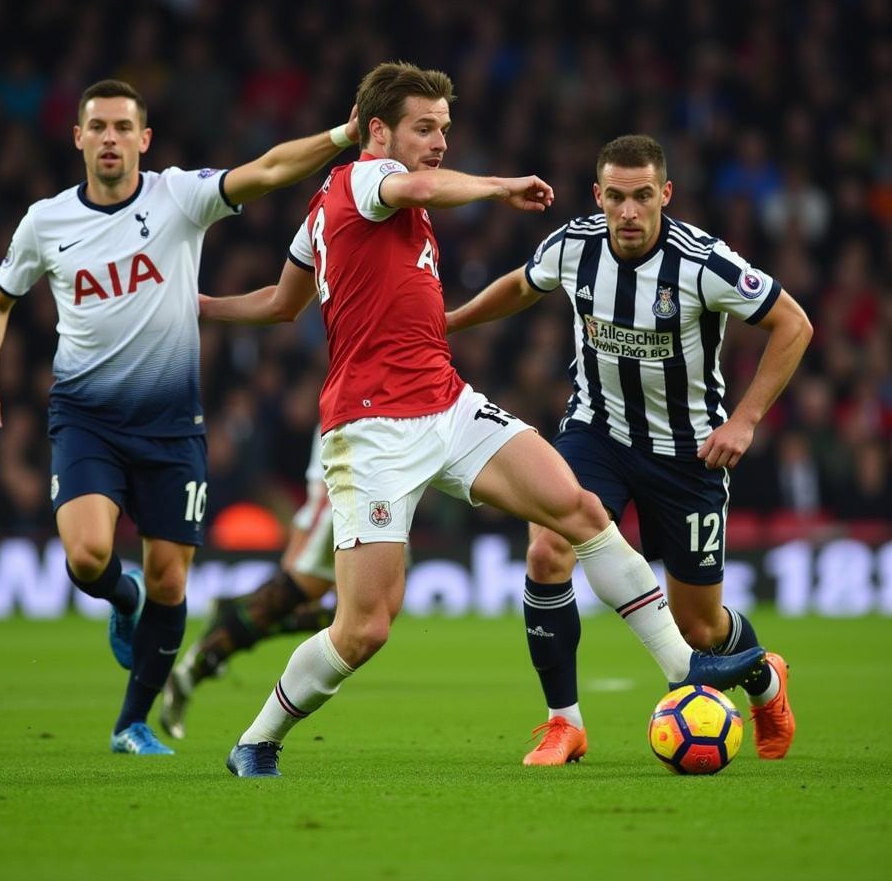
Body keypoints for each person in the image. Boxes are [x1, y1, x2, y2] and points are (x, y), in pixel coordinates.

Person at [196, 62, 766, 777]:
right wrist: (500, 186)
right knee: (364, 627)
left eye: (444, 129)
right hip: (372, 429)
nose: (438, 143)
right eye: (424, 129)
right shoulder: (364, 179)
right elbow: (421, 186)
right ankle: (257, 739)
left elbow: (281, 304)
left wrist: (203, 307)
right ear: (378, 132)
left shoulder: (327, 210)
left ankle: (687, 670)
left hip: (447, 401)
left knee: (580, 510)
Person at [0, 78, 361, 755]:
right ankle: (122, 601)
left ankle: (133, 723)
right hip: (87, 416)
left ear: (144, 140)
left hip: (173, 424)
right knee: (89, 557)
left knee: (170, 577)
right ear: (79, 138)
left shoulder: (178, 196)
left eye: (124, 127)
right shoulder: (46, 221)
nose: (111, 138)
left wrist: (343, 138)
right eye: (100, 127)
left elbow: (264, 170)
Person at [445, 134, 812, 765]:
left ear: (665, 194)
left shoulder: (702, 262)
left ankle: (764, 679)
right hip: (598, 433)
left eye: (643, 196)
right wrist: (446, 323)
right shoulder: (574, 245)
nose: (630, 211)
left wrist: (745, 421)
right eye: (616, 197)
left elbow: (794, 323)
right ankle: (565, 723)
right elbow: (521, 286)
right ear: (599, 196)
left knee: (700, 627)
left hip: (688, 452)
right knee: (547, 549)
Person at [159, 424, 337, 739]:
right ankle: (208, 657)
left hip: (375, 444)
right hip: (354, 455)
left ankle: (229, 619)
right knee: (353, 612)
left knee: (362, 611)